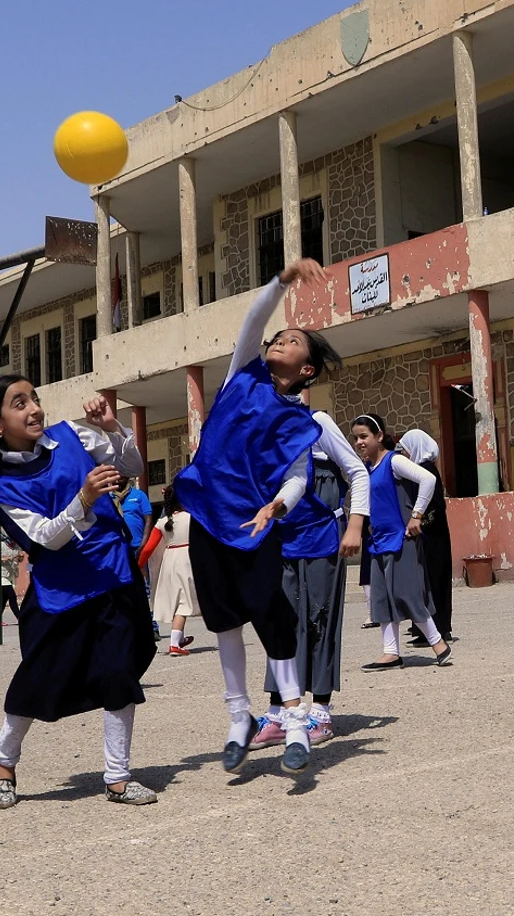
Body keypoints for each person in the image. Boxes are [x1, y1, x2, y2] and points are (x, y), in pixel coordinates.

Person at [168, 257, 338, 775]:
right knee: (222, 622)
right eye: (279, 337)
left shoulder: (298, 421)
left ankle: (294, 722)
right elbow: (252, 323)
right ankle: (238, 716)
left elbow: (298, 478)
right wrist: (281, 283)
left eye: (292, 342)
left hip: (256, 523)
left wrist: (277, 505)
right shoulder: (241, 375)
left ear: (306, 369)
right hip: (208, 518)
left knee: (269, 612)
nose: (278, 342)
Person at [0, 380, 159, 809]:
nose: (34, 409)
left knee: (120, 673)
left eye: (34, 398)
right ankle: (3, 760)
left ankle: (117, 776)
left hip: (113, 576)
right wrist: (83, 498)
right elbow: (43, 539)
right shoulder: (0, 490)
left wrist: (113, 428)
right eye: (19, 404)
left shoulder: (73, 434)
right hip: (60, 591)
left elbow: (131, 465)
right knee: (38, 678)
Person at [258, 404, 369, 759]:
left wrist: (355, 525)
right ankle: (279, 713)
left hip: (323, 537)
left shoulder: (316, 423)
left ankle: (320, 711)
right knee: (282, 624)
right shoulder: (265, 434)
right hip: (285, 540)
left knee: (321, 619)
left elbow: (358, 473)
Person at [351, 415, 450, 672]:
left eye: (364, 436)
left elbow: (428, 480)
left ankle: (438, 643)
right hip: (378, 541)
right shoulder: (366, 469)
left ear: (379, 436)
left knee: (407, 594)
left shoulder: (394, 461)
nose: (359, 442)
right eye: (355, 438)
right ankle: (390, 653)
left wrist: (416, 515)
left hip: (401, 539)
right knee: (382, 599)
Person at [396, 429, 453, 646]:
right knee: (424, 583)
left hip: (433, 537)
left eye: (406, 449)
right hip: (426, 537)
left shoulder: (428, 471)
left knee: (434, 582)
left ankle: (439, 629)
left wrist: (417, 523)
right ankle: (424, 629)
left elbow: (436, 507)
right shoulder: (419, 471)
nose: (405, 453)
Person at [148, 500, 200, 657]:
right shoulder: (191, 518)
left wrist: (139, 565)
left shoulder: (162, 522)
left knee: (177, 597)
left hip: (169, 558)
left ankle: (180, 638)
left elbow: (149, 547)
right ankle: (174, 644)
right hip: (187, 558)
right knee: (183, 602)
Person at [0, 541, 23, 624]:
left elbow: (20, 559)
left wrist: (20, 557)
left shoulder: (17, 546)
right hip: (2, 576)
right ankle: (20, 617)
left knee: (4, 599)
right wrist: (3, 558)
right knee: (12, 597)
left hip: (12, 575)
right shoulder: (0, 545)